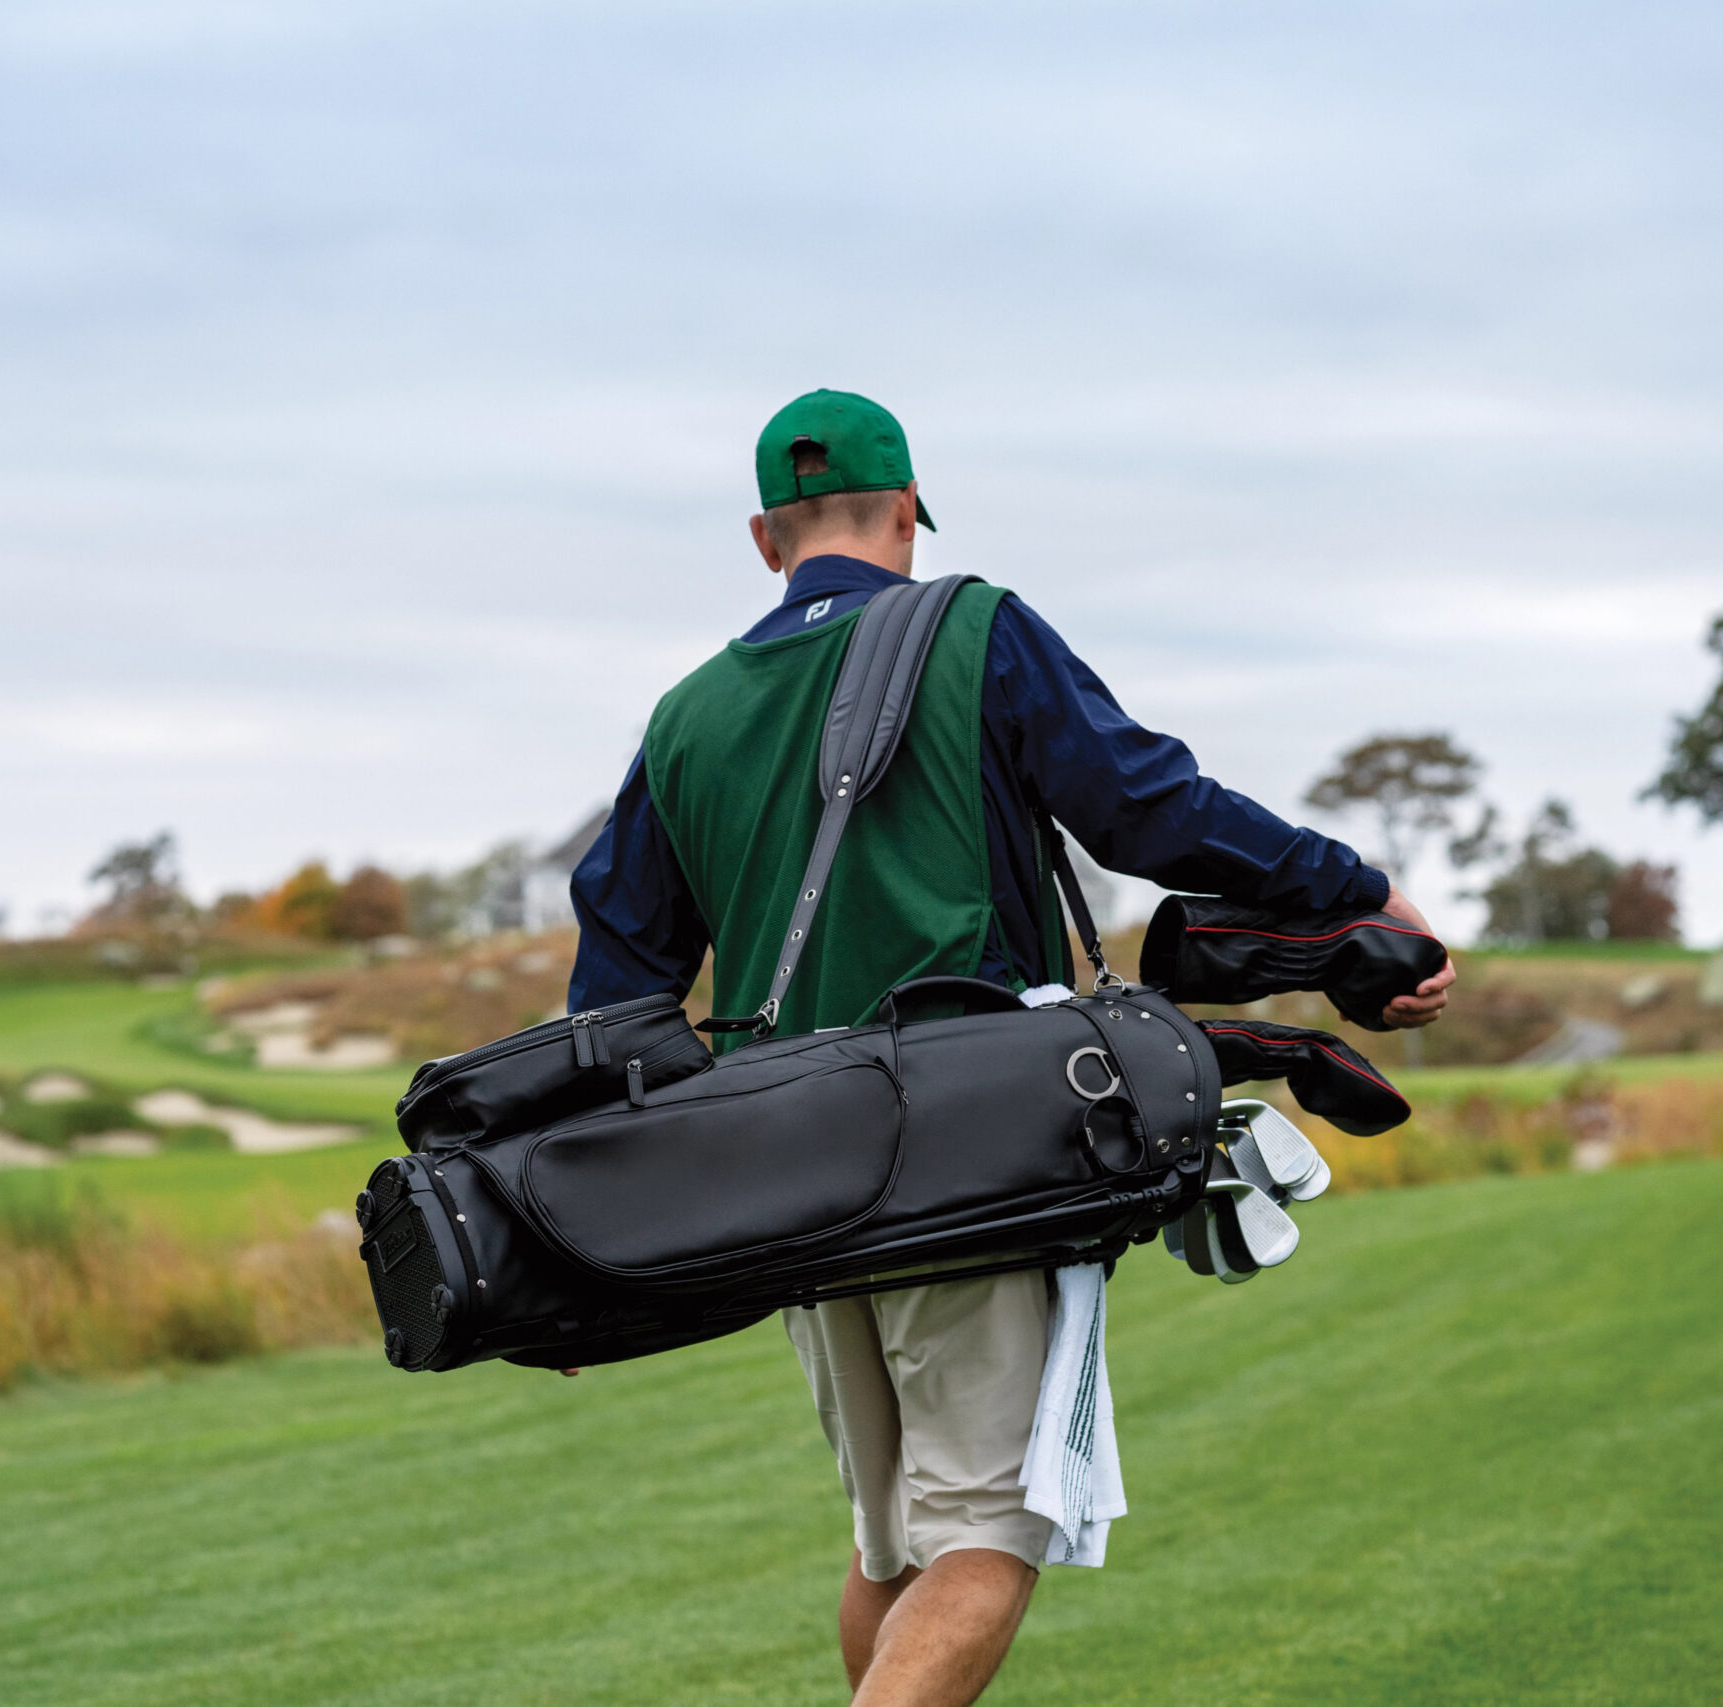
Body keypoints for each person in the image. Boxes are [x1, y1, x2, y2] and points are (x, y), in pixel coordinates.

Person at [563, 389, 1454, 1706]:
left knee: (892, 1546)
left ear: (766, 539)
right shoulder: (971, 628)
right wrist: (1350, 888)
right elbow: (1145, 807)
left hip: (779, 1166)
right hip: (962, 1142)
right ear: (911, 510)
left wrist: (585, 1221)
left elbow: (616, 989)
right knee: (986, 1538)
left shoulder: (689, 715)